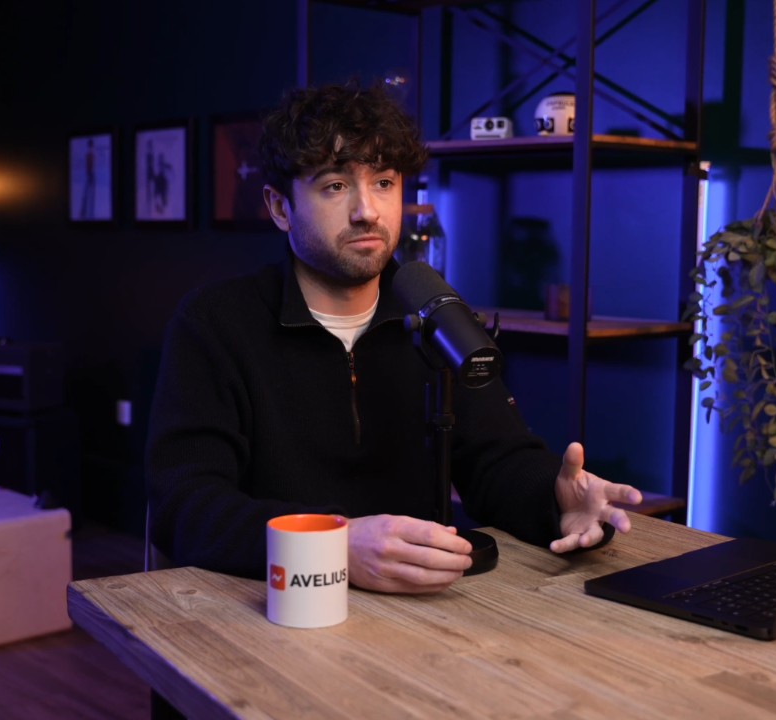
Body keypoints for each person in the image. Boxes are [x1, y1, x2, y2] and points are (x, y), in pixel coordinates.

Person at [145, 81, 643, 595]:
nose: (367, 210)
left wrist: (557, 499)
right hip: (270, 609)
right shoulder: (218, 323)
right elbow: (186, 502)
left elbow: (497, 462)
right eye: (335, 186)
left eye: (383, 182)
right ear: (279, 207)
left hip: (418, 612)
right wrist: (332, 548)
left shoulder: (436, 317)